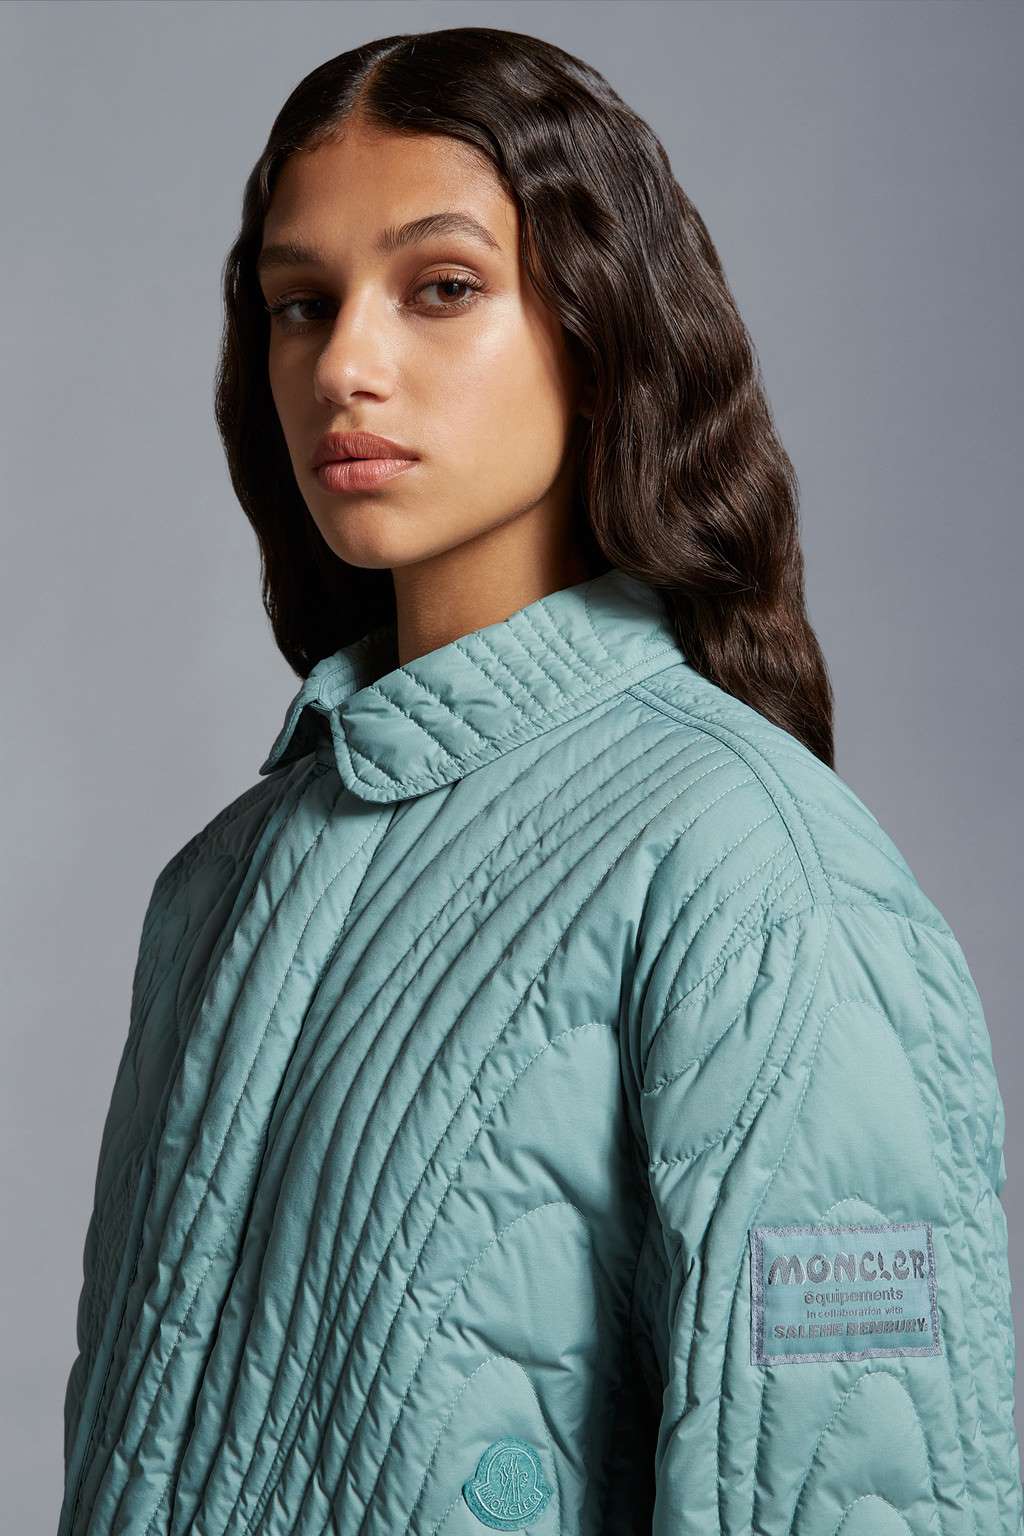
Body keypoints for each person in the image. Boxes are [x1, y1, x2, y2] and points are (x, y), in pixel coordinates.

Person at [58, 25, 1022, 1536]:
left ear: (599, 323)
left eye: (441, 287)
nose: (346, 364)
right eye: (301, 304)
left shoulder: (754, 869)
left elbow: (862, 1489)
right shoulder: (217, 886)